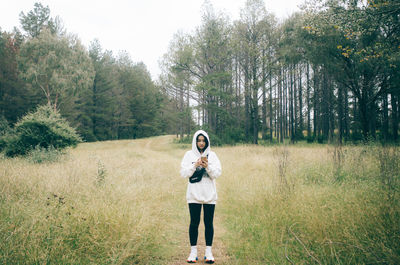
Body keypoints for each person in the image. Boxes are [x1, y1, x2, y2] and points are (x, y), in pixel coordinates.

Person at [180, 130, 222, 264]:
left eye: (204, 140)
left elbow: (217, 173)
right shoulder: (188, 155)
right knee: (194, 222)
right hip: (193, 194)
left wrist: (207, 166)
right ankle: (193, 252)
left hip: (210, 194)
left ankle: (208, 252)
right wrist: (195, 165)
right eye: (199, 140)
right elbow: (183, 173)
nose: (201, 143)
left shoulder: (213, 155)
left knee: (209, 223)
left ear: (207, 141)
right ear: (195, 141)